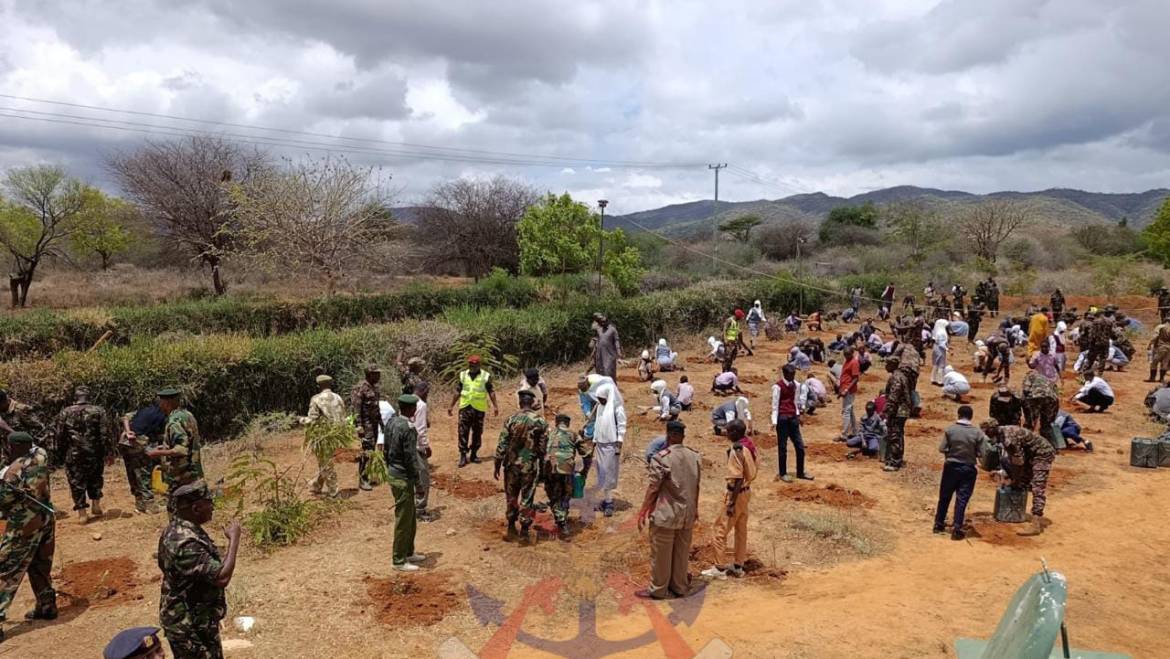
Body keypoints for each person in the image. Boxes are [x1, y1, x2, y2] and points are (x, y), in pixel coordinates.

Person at [157, 481, 239, 657]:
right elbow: (222, 578)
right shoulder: (185, 542)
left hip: (198, 618)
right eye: (209, 503)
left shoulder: (178, 529)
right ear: (196, 508)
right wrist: (234, 539)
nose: (213, 507)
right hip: (188, 625)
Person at [636, 420, 701, 600]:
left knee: (662, 552)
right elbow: (697, 486)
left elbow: (653, 488)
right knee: (681, 552)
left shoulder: (661, 457)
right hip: (687, 513)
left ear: (669, 435)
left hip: (667, 513)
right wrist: (696, 509)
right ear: (682, 436)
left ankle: (658, 589)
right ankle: (679, 587)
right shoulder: (694, 456)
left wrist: (643, 511)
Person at [0, 431, 56, 639]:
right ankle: (46, 605)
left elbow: (3, 500)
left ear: (14, 447)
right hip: (46, 518)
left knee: (7, 569)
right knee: (40, 564)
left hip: (23, 524)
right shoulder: (41, 455)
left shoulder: (13, 472)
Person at [702, 419, 758, 579]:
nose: (726, 433)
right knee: (741, 529)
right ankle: (738, 565)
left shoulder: (736, 450)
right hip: (747, 493)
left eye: (728, 431)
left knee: (720, 530)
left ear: (734, 432)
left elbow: (738, 477)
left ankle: (719, 568)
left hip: (736, 493)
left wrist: (731, 502)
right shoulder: (749, 445)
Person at [52, 386, 114, 524]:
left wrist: (60, 453)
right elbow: (105, 434)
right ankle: (96, 505)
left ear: (75, 397)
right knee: (96, 478)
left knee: (76, 482)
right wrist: (109, 452)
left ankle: (82, 514)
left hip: (73, 454)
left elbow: (60, 435)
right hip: (95, 453)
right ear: (88, 397)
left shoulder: (65, 412)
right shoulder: (99, 411)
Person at [981, 420, 1055, 536]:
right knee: (1022, 483)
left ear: (993, 429)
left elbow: (1018, 463)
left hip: (1042, 454)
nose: (986, 434)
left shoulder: (1008, 438)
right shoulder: (1001, 434)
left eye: (987, 431)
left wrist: (1015, 479)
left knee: (1037, 486)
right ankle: (1017, 513)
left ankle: (1036, 522)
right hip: (1030, 454)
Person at [934, 406, 989, 540]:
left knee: (945, 496)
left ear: (958, 415)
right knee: (962, 498)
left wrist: (950, 454)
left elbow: (942, 449)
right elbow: (983, 453)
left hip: (951, 467)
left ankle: (938, 524)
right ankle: (957, 527)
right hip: (968, 469)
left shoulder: (950, 430)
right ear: (971, 416)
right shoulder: (977, 433)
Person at [146, 388, 203, 512]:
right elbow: (188, 440)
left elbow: (181, 450)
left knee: (178, 512)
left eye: (160, 402)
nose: (159, 405)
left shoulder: (173, 421)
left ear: (167, 403)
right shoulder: (187, 415)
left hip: (182, 476)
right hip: (194, 471)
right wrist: (166, 447)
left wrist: (157, 453)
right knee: (193, 510)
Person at [384, 395, 424, 568]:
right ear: (411, 409)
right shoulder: (408, 428)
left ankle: (408, 552)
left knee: (410, 515)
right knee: (403, 518)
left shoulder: (391, 423)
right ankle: (399, 560)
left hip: (393, 473)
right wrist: (419, 483)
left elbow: (385, 449)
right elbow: (410, 459)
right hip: (403, 477)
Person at [543, 414, 592, 539]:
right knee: (565, 496)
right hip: (566, 470)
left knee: (554, 496)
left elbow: (540, 451)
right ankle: (562, 522)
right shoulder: (573, 435)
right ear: (568, 424)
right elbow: (587, 454)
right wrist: (584, 472)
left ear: (556, 423)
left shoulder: (549, 434)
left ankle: (561, 521)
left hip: (551, 470)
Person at [448, 355, 500, 468]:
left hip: (479, 408)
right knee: (463, 431)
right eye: (471, 365)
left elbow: (491, 391)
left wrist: (495, 406)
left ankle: (474, 454)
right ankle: (463, 455)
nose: (472, 367)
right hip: (465, 406)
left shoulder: (485, 376)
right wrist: (451, 405)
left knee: (477, 432)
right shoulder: (463, 375)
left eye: (475, 365)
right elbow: (458, 390)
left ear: (479, 365)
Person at [301, 374, 345, 498]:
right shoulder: (338, 397)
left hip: (324, 437)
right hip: (338, 436)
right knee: (324, 462)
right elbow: (342, 417)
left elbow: (313, 420)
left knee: (326, 464)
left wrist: (300, 420)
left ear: (318, 385)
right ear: (330, 384)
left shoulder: (316, 399)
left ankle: (334, 493)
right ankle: (316, 486)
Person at [119, 402, 166, 514]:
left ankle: (139, 504)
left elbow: (125, 417)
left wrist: (128, 431)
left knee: (133, 473)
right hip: (139, 442)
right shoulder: (163, 415)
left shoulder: (144, 410)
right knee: (144, 473)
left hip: (125, 442)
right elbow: (162, 434)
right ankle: (150, 506)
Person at [588, 381, 626, 517]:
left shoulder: (617, 408)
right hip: (600, 444)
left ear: (608, 397)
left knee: (609, 473)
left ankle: (609, 503)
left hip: (611, 444)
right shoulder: (600, 407)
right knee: (601, 473)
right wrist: (594, 441)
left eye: (602, 398)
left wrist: (619, 443)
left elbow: (622, 425)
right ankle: (606, 499)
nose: (600, 401)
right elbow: (597, 424)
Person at [772, 364, 813, 482]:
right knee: (783, 447)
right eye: (791, 375)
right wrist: (774, 421)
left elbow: (796, 401)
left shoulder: (796, 385)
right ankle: (783, 473)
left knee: (800, 446)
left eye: (794, 374)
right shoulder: (777, 387)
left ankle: (800, 472)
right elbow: (775, 405)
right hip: (782, 419)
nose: (793, 377)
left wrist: (799, 414)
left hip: (793, 418)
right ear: (785, 374)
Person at [350, 365, 382, 489]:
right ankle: (363, 479)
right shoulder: (360, 388)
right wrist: (359, 426)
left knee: (372, 450)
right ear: (369, 374)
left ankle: (368, 475)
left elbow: (376, 406)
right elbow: (356, 409)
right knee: (367, 451)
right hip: (365, 423)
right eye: (376, 374)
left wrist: (381, 423)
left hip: (374, 423)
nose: (379, 376)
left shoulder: (375, 388)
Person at [882, 356, 914, 472]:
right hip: (903, 410)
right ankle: (896, 459)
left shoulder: (896, 377)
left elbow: (894, 397)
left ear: (892, 365)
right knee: (898, 434)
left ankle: (894, 462)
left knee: (895, 434)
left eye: (887, 364)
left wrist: (887, 411)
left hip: (898, 410)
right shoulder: (901, 375)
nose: (885, 366)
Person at [0, 390, 46, 465]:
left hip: (25, 457)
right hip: (7, 456)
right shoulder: (2, 412)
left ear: (3, 402)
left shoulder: (22, 410)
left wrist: (8, 429)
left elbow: (40, 430)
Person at [412, 383, 433, 523]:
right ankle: (420, 510)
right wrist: (425, 446)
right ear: (424, 392)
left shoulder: (407, 400)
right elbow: (420, 429)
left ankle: (410, 508)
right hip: (417, 446)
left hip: (405, 445)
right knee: (423, 477)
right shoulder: (421, 405)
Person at [838, 347, 860, 441]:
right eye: (845, 354)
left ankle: (845, 434)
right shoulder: (847, 361)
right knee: (850, 411)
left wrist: (846, 389)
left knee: (846, 411)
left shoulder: (854, 362)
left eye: (848, 354)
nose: (846, 356)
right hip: (845, 388)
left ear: (852, 353)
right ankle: (855, 431)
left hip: (849, 390)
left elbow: (855, 378)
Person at [1147, 318, 1170, 383]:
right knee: (1165, 363)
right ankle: (1161, 379)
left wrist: (1150, 344)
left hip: (1160, 347)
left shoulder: (1161, 327)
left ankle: (1152, 378)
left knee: (1154, 362)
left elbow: (1155, 336)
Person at [930, 319, 949, 386]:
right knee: (941, 365)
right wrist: (947, 349)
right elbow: (942, 344)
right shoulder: (942, 333)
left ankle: (933, 379)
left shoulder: (936, 331)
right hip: (940, 349)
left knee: (935, 364)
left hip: (935, 347)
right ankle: (940, 381)